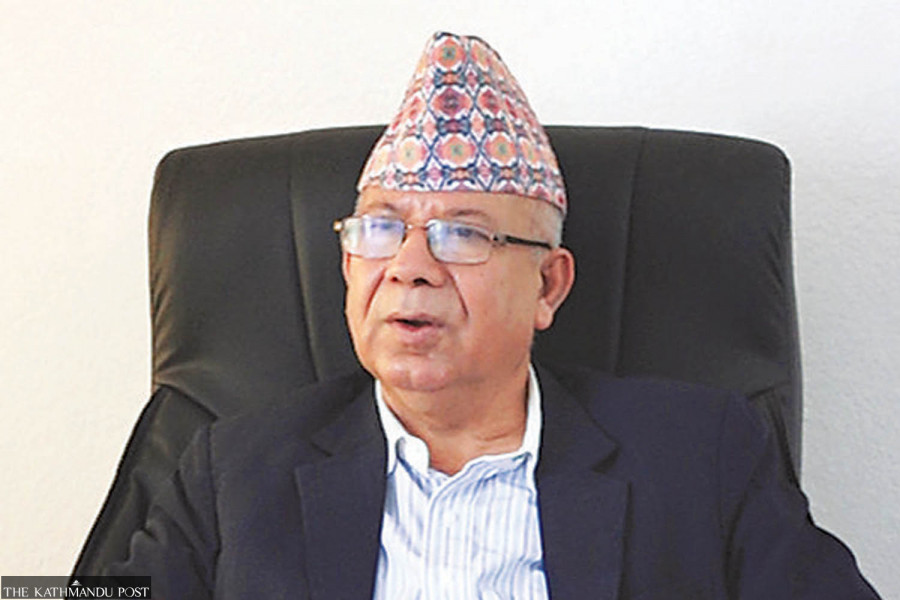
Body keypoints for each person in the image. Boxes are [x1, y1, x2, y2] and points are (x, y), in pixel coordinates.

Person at [108, 32, 881, 599]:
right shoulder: (235, 470)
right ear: (347, 266)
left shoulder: (697, 456)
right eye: (381, 229)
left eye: (462, 235)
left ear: (549, 285)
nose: (408, 266)